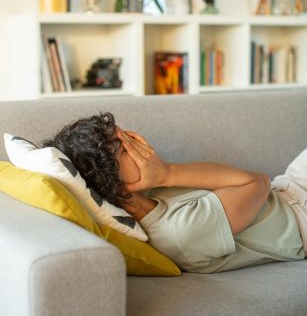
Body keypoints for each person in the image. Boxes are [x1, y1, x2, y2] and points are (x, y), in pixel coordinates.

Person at [43, 112, 307, 274]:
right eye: (124, 148)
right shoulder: (179, 233)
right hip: (300, 216)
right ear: (115, 184)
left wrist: (165, 174)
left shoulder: (153, 190)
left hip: (289, 185)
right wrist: (168, 172)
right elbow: (256, 182)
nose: (137, 143)